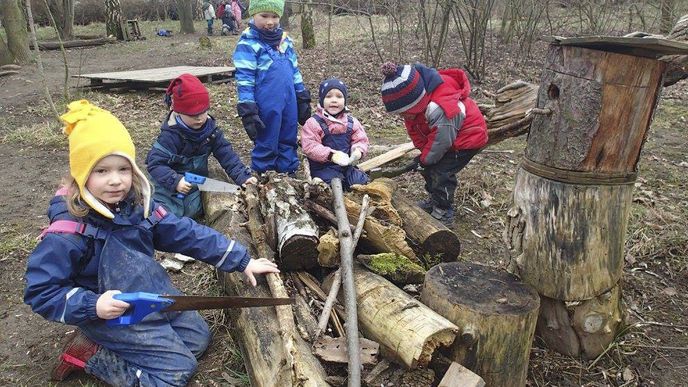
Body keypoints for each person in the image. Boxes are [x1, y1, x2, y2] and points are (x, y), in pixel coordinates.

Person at [24, 100, 280, 386]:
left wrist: (241, 259)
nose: (115, 181)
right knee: (176, 371)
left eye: (123, 169)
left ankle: (137, 347)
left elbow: (185, 232)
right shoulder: (68, 233)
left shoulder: (137, 207)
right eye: (102, 171)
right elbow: (41, 292)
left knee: (197, 340)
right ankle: (91, 354)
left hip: (147, 293)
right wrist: (93, 306)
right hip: (110, 312)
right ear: (81, 174)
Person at [380, 62, 488, 225]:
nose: (403, 116)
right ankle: (434, 200)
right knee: (428, 167)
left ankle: (444, 211)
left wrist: (426, 158)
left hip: (467, 139)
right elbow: (418, 133)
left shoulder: (439, 107)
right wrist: (424, 157)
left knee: (441, 172)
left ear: (417, 102)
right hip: (447, 138)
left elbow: (441, 140)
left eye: (405, 112)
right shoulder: (414, 113)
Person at [146, 73, 256, 221]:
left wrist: (243, 176)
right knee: (163, 213)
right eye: (192, 114)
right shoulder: (170, 136)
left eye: (202, 112)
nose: (199, 118)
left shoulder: (211, 132)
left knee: (200, 208)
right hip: (168, 185)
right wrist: (175, 180)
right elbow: (155, 164)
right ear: (179, 112)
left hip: (194, 184)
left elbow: (227, 155)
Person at [232, 0, 312, 175]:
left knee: (288, 136)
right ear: (253, 14)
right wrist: (248, 108)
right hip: (266, 105)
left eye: (275, 16)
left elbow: (294, 70)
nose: (270, 21)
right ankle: (264, 175)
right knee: (267, 139)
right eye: (264, 16)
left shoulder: (285, 41)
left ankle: (288, 172)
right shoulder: (248, 43)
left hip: (289, 101)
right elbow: (245, 79)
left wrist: (301, 95)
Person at [301, 78, 369, 189]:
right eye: (328, 96)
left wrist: (358, 151)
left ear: (345, 100)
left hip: (346, 166)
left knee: (359, 181)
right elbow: (310, 146)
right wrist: (331, 155)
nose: (334, 100)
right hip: (323, 168)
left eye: (339, 96)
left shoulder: (351, 122)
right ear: (322, 100)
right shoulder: (313, 123)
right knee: (333, 183)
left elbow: (361, 140)